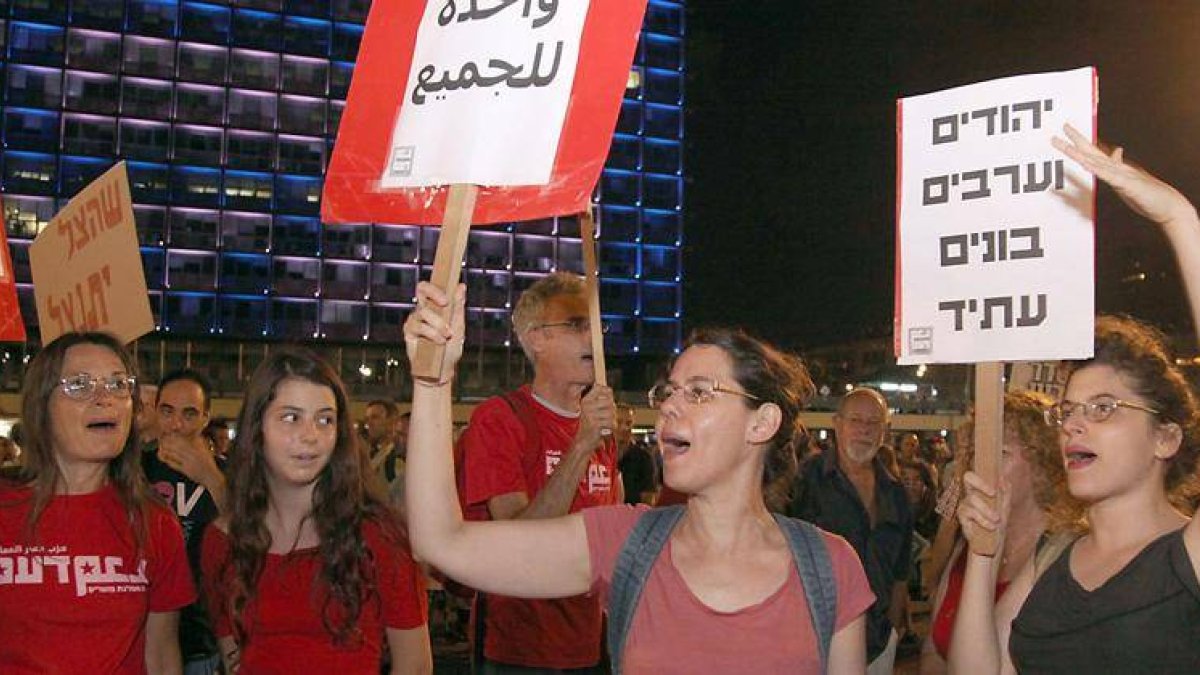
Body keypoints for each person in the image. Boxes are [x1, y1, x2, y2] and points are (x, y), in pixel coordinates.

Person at [405, 285, 874, 673]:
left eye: (699, 392)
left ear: (762, 423)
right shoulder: (625, 544)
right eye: (668, 391)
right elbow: (440, 542)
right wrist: (432, 382)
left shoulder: (829, 568)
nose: (669, 405)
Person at [949, 126, 1200, 673]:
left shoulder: (1188, 557)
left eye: (1103, 407)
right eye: (1067, 411)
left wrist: (1179, 219)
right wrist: (984, 558)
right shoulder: (1054, 560)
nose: (1072, 426)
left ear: (1166, 437)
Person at [200, 348, 431, 674]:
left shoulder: (380, 537)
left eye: (325, 420)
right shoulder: (221, 541)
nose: (310, 436)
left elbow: (416, 666)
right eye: (291, 417)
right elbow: (234, 657)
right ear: (256, 428)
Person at [453, 272, 620, 673]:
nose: (592, 338)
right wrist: (581, 445)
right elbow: (516, 538)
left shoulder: (602, 428)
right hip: (520, 648)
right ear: (536, 338)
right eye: (578, 324)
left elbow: (609, 532)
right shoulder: (500, 418)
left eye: (597, 326)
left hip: (590, 645)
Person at [0, 332, 194, 673]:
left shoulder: (155, 522)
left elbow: (162, 657)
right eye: (80, 384)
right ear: (42, 405)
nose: (105, 398)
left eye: (119, 384)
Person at [919, 390, 1077, 674]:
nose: (980, 465)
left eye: (999, 453)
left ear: (1042, 464)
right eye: (974, 453)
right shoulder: (965, 548)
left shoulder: (1065, 556)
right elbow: (933, 649)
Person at [788, 387, 914, 674]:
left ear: (885, 430)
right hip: (814, 639)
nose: (864, 430)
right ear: (837, 424)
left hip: (879, 643)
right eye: (856, 420)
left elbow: (900, 573)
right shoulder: (805, 481)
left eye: (874, 423)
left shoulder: (896, 494)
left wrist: (892, 629)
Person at [143, 369, 227, 674]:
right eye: (167, 412)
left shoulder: (228, 474)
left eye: (189, 414)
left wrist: (211, 478)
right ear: (154, 412)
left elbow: (252, 533)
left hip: (203, 637)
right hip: (142, 635)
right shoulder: (132, 470)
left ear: (206, 417)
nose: (177, 425)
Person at [616, 404, 659, 505]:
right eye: (619, 422)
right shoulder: (596, 455)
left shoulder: (643, 458)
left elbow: (648, 499)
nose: (625, 428)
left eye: (629, 423)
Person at [365, 399, 404, 484]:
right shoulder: (370, 453)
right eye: (367, 418)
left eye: (375, 417)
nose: (369, 423)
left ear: (391, 421)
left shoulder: (397, 456)